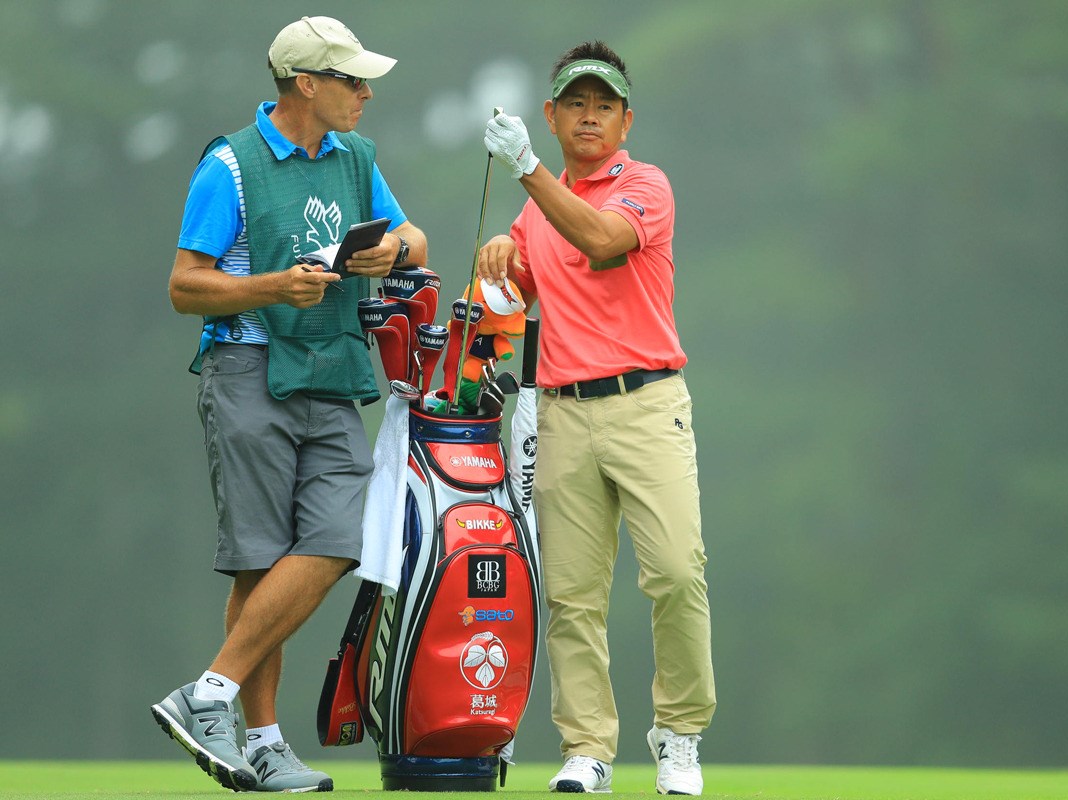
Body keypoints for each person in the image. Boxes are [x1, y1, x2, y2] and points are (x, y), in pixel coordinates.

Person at [151, 16, 427, 793]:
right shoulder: (230, 167)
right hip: (248, 366)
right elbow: (184, 285)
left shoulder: (355, 157)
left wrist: (391, 251)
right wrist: (275, 285)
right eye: (352, 81)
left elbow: (417, 238)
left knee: (345, 537)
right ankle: (264, 742)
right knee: (259, 559)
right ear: (307, 84)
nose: (365, 94)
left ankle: (207, 693)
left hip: (333, 372)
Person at [478, 41, 715, 796]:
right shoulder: (534, 206)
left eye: (603, 105)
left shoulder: (645, 185)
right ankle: (587, 748)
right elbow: (515, 287)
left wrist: (525, 170)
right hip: (562, 413)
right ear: (551, 117)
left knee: (677, 573)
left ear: (625, 119)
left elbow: (602, 240)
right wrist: (497, 254)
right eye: (575, 104)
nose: (589, 116)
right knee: (573, 597)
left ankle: (678, 735)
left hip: (648, 406)